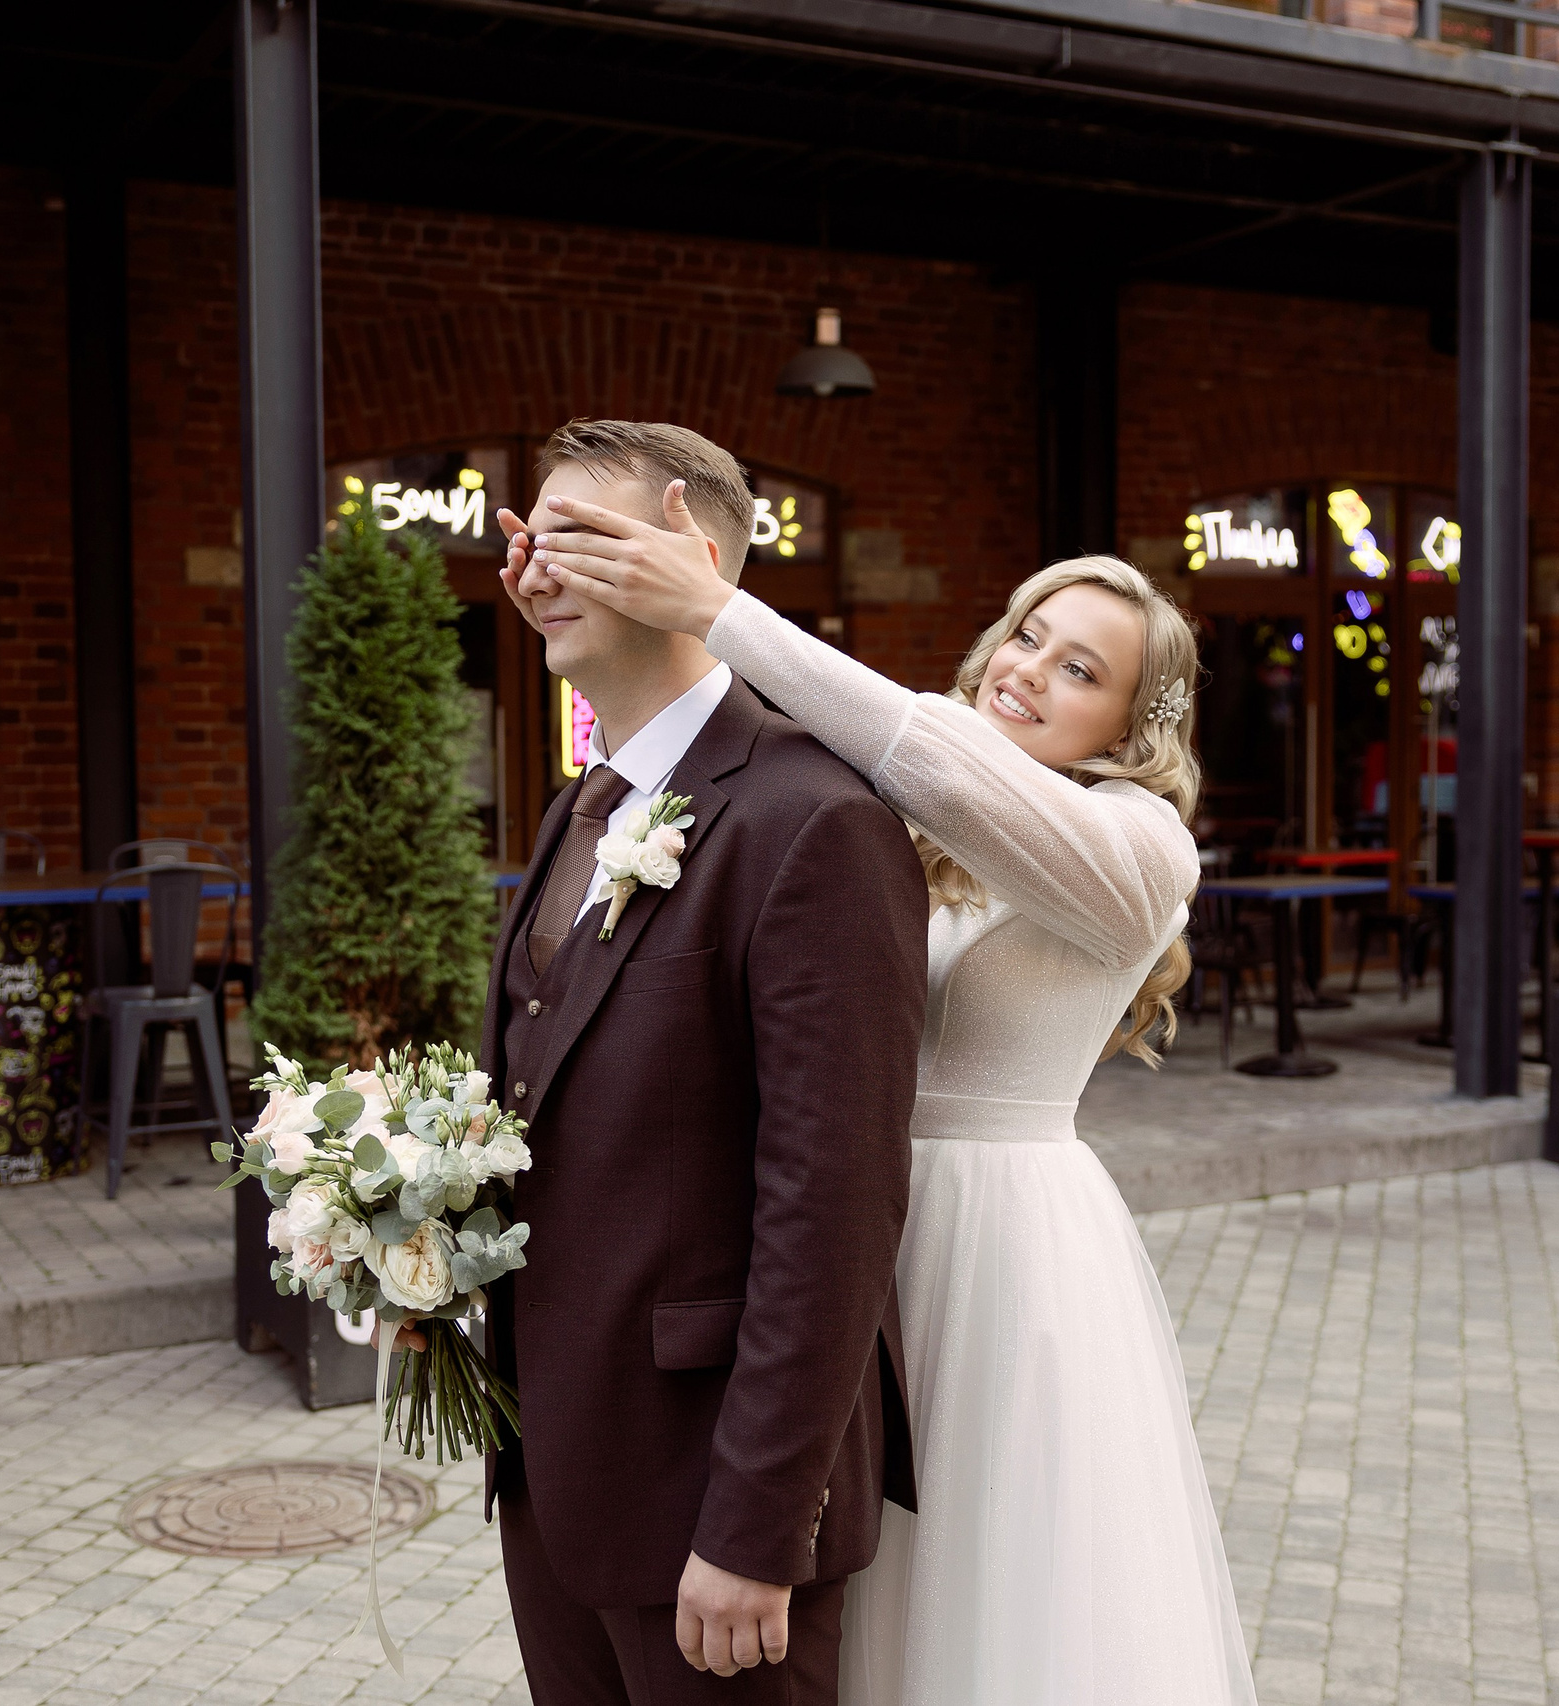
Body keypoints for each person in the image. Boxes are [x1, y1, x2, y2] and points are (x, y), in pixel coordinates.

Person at [511, 487, 1257, 1706]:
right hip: (842, 1227)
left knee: (979, 1575)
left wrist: (717, 608)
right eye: (1024, 633)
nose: (1028, 671)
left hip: (991, 1244)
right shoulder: (901, 818)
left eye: (1080, 669)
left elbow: (918, 742)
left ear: (1130, 724)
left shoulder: (1138, 847)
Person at [475, 419, 928, 1705]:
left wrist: (755, 1524)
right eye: (530, 533)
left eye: (580, 533)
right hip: (555, 1470)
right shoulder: (582, 802)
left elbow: (832, 1207)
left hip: (708, 1503)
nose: (537, 564)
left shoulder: (816, 819)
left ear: (695, 548)